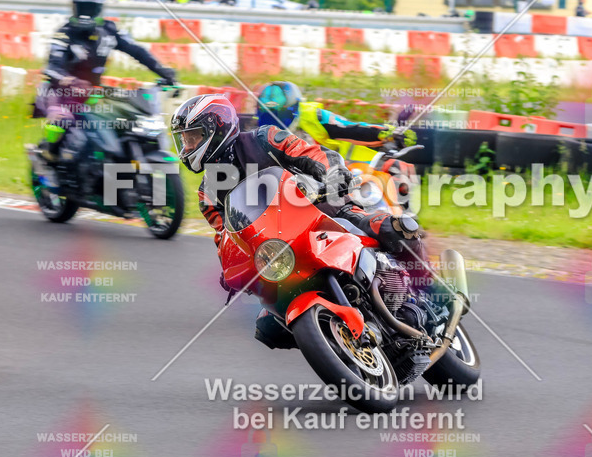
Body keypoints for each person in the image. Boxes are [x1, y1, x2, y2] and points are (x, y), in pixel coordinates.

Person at [172, 95, 426, 348]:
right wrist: (230, 269)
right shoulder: (207, 195)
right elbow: (225, 238)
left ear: (217, 128)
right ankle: (335, 341)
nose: (188, 146)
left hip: (324, 212)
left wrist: (333, 173)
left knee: (395, 229)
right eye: (184, 140)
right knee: (268, 328)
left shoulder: (264, 138)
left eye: (193, 137)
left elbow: (311, 153)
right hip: (277, 250)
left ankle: (426, 294)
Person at [38, 0, 177, 165]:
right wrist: (69, 81)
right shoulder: (64, 34)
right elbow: (52, 67)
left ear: (98, 10)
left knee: (126, 120)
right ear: (74, 8)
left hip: (94, 93)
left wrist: (162, 70)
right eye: (82, 8)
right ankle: (49, 155)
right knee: (62, 121)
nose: (86, 13)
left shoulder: (109, 30)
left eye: (90, 8)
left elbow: (137, 51)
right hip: (61, 93)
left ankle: (115, 164)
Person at [256, 81, 417, 170]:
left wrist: (387, 133)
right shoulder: (256, 133)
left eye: (280, 112)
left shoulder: (314, 116)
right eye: (268, 113)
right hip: (288, 182)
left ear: (292, 107)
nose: (276, 119)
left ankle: (400, 217)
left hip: (337, 172)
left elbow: (350, 128)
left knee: (396, 168)